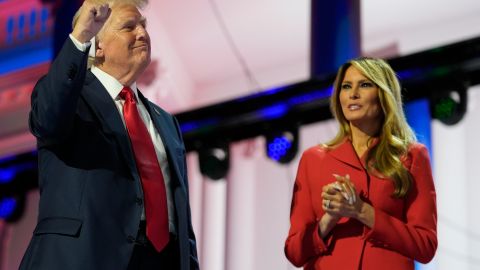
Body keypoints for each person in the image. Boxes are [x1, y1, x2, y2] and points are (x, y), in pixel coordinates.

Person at [19, 1, 199, 269]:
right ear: (98, 45)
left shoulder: (166, 122)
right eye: (129, 26)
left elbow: (181, 216)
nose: (142, 33)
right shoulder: (71, 97)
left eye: (143, 25)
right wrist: (81, 36)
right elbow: (47, 119)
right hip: (84, 258)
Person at [284, 57, 437, 270]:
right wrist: (330, 218)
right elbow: (294, 252)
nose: (353, 94)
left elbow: (425, 245)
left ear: (384, 95)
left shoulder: (412, 155)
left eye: (364, 85)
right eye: (346, 86)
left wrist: (361, 210)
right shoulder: (313, 159)